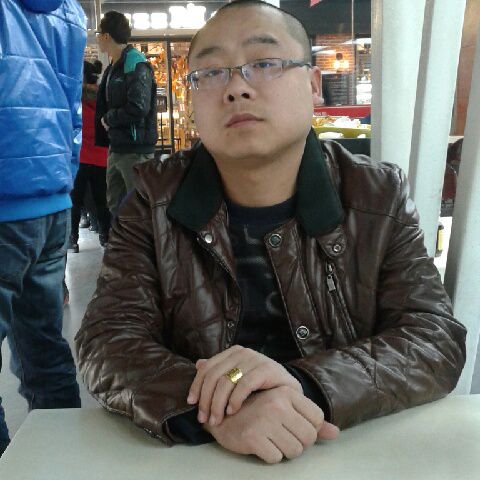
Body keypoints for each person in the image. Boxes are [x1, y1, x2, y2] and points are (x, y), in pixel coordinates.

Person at [75, 0, 466, 465]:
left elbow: (433, 337)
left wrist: (301, 386)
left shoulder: (376, 197)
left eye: (264, 63)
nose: (237, 88)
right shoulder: (152, 202)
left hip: (347, 452)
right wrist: (226, 404)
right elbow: (106, 341)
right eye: (211, 73)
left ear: (313, 84)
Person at [0, 0, 86, 456]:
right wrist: (63, 178)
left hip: (5, 196)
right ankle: (63, 463)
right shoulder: (70, 12)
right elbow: (73, 107)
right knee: (45, 349)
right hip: (50, 197)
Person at [94, 11, 158, 217]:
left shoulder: (135, 63)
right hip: (117, 146)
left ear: (106, 36)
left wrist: (109, 119)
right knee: (116, 205)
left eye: (98, 33)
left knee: (139, 209)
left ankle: (143, 240)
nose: (97, 38)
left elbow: (139, 106)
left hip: (135, 148)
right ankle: (120, 239)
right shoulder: (114, 66)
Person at [69, 61, 111, 253]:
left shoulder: (74, 96)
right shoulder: (104, 96)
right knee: (102, 200)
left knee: (75, 201)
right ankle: (106, 237)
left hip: (79, 156)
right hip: (100, 155)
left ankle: (72, 239)